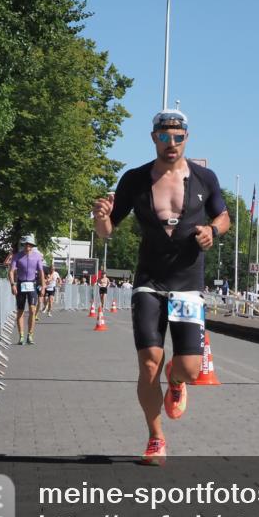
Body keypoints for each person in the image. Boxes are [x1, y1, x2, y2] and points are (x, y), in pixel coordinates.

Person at [92, 106, 230, 465]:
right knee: (149, 362)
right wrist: (100, 218)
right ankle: (156, 439)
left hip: (187, 284)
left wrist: (212, 232)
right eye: (164, 137)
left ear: (187, 138)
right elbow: (107, 232)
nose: (171, 143)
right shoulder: (135, 179)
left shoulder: (205, 178)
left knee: (190, 367)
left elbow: (224, 216)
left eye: (178, 137)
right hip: (149, 283)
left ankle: (177, 380)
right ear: (154, 138)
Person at [9, 234, 46, 345]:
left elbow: (41, 272)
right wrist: (13, 284)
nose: (27, 247)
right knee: (20, 311)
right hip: (20, 284)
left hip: (31, 284)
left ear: (32, 246)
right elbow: (11, 271)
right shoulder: (17, 256)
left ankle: (30, 335)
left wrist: (43, 286)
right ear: (23, 245)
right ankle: (21, 335)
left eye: (30, 245)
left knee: (32, 310)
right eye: (26, 245)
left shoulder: (37, 256)